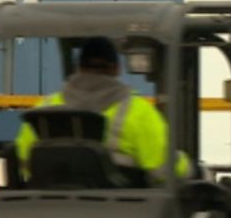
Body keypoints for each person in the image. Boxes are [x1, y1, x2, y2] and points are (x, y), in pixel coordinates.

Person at [15, 36, 190, 181]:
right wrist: (191, 169)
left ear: (79, 68)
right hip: (125, 216)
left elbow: (22, 159)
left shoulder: (45, 110)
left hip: (49, 212)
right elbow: (164, 169)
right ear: (116, 69)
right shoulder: (139, 112)